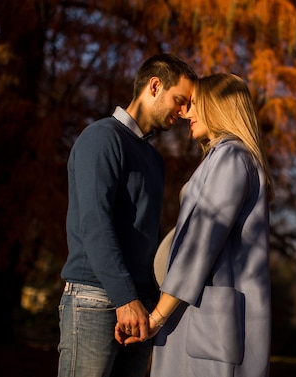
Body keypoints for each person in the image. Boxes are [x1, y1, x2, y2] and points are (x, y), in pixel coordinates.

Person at [117, 73, 273, 377]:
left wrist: (156, 317)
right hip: (199, 318)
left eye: (195, 104)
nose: (186, 112)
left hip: (205, 325)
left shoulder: (230, 157)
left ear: (218, 106)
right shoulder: (224, 158)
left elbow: (199, 245)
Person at [57, 53, 197, 377]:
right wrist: (124, 299)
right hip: (95, 299)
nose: (184, 111)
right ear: (154, 85)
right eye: (180, 100)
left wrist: (147, 304)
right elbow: (94, 223)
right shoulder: (102, 137)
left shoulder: (154, 159)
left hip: (138, 309)